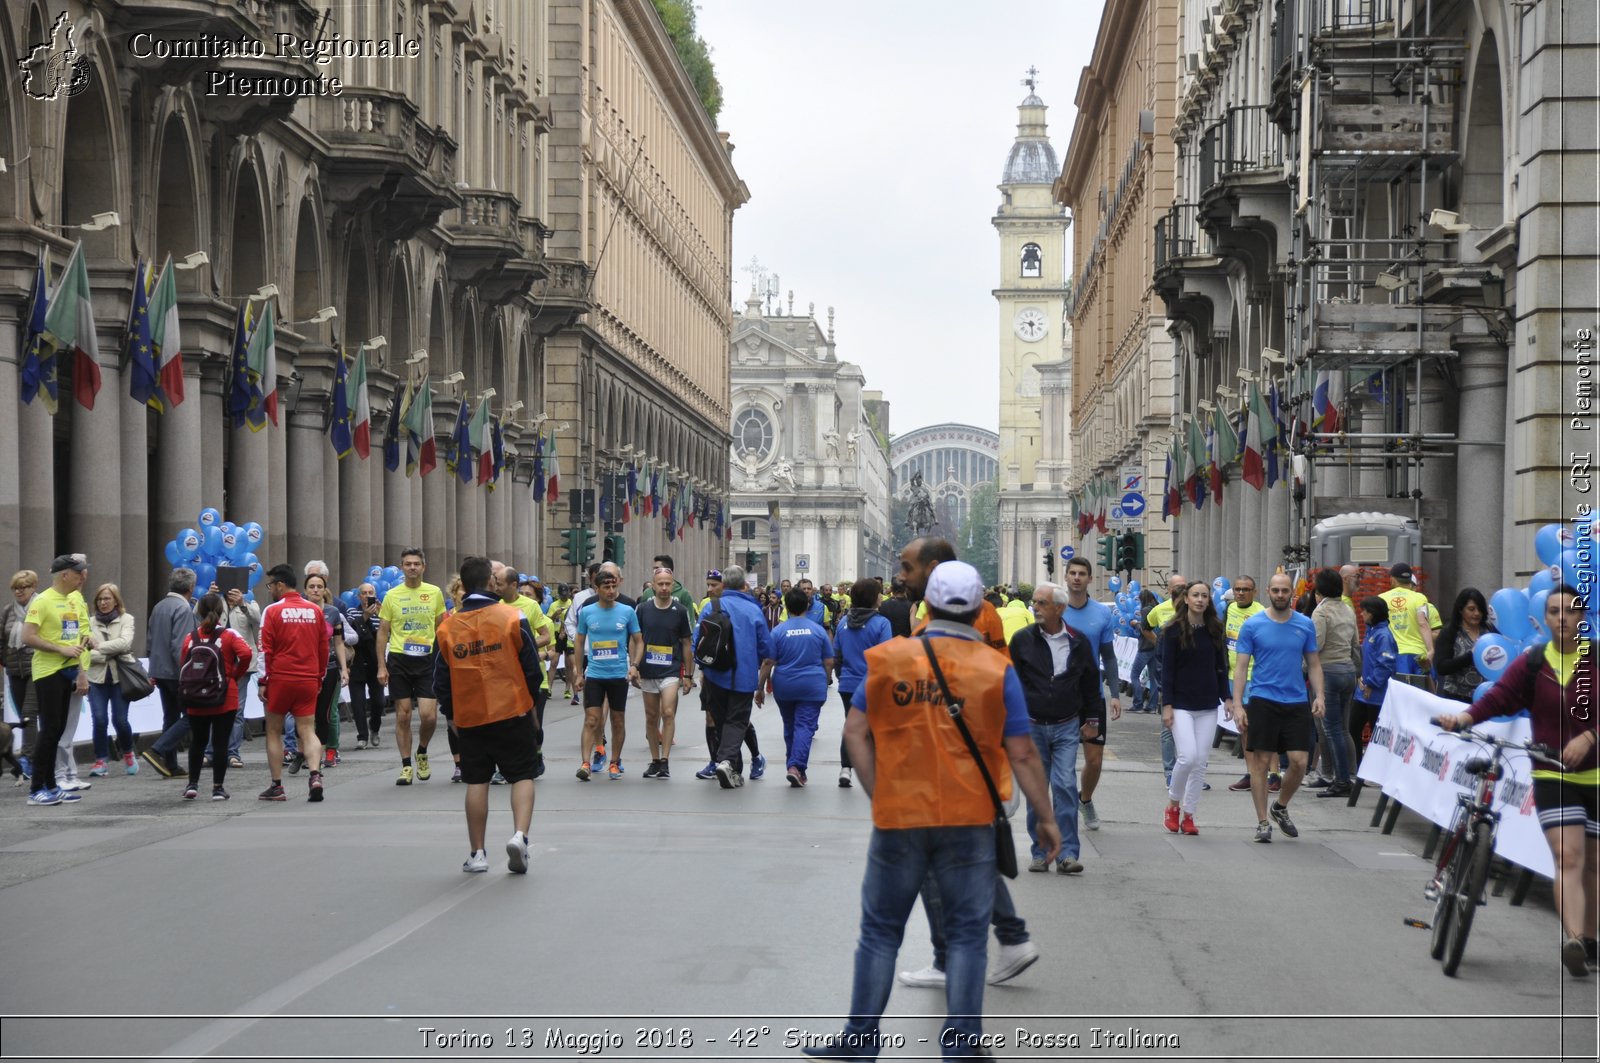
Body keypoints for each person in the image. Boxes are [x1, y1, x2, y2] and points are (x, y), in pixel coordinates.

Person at [805, 561, 1058, 1060]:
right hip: (969, 819)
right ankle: (962, 1045)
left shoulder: (889, 659)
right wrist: (1046, 817)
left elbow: (855, 733)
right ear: (980, 610)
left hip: (901, 815)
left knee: (879, 932)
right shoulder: (996, 668)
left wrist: (880, 793)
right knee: (966, 935)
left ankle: (859, 1041)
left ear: (928, 606)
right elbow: (1023, 752)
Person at [1436, 585, 1599, 976]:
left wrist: (1590, 736)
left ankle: (1591, 939)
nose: (1562, 619)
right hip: (1550, 772)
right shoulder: (1532, 662)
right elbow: (1500, 698)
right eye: (1554, 612)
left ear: (1582, 618)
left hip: (1596, 775)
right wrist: (1465, 717)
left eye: (1570, 612)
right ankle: (1574, 939)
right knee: (1569, 856)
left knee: (1594, 863)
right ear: (1545, 619)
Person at [434, 556, 543, 875]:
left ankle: (477, 853)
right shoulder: (513, 616)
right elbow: (532, 669)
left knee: (476, 780)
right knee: (522, 774)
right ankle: (520, 836)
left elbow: (440, 679)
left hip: (470, 716)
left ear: (463, 586)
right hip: (513, 709)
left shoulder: (447, 625)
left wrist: (451, 715)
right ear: (492, 583)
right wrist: (531, 707)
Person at [1010, 582, 1102, 874]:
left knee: (1064, 786)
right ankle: (1040, 852)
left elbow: (1091, 684)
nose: (1034, 607)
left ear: (1059, 608)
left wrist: (1093, 721)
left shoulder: (1079, 641)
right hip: (1032, 725)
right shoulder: (1022, 640)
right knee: (1037, 790)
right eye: (1034, 602)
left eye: (1040, 603)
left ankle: (1067, 854)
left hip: (1065, 726)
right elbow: (1010, 683)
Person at [1229, 572, 1325, 843]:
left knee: (1299, 762)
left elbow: (1315, 664)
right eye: (1276, 591)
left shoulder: (1305, 625)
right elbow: (1241, 667)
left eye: (1285, 591)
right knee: (1260, 764)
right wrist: (1238, 705)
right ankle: (1262, 822)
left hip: (1296, 701)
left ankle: (1280, 806)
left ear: (1292, 593)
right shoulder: (1253, 625)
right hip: (1262, 700)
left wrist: (1320, 696)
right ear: (1268, 592)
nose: (1280, 595)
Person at [1158, 581, 1232, 834]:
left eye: (1204, 595)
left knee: (1200, 762)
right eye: (1195, 595)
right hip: (1180, 704)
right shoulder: (1172, 630)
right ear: (1186, 599)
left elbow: (1221, 668)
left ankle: (1189, 815)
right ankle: (1173, 805)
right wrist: (1166, 705)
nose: (1200, 599)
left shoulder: (1214, 629)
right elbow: (1166, 671)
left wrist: (1228, 698)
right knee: (1187, 756)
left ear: (1209, 600)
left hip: (1208, 705)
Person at [20, 555, 93, 805]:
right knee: (49, 730)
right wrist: (59, 650)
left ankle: (52, 785)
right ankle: (35, 789)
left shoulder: (70, 601)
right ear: (65, 575)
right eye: (78, 573)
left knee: (58, 730)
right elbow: (27, 636)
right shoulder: (42, 601)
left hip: (68, 671)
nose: (82, 577)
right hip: (48, 672)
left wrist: (80, 668)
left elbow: (73, 639)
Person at [694, 564, 773, 789]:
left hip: (715, 674)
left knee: (720, 720)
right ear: (744, 585)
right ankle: (727, 761)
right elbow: (767, 647)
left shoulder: (712, 606)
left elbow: (697, 640)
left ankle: (733, 769)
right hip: (743, 675)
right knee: (737, 720)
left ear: (725, 584)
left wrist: (701, 667)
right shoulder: (754, 610)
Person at [257, 564, 329, 803]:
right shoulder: (315, 610)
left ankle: (277, 786)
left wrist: (262, 681)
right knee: (308, 729)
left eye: (270, 586)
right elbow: (322, 648)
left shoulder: (272, 611)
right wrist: (319, 677)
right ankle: (316, 774)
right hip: (308, 678)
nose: (270, 590)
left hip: (280, 678)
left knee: (274, 731)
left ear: (280, 585)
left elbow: (264, 649)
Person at [1060, 557, 1121, 832]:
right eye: (1072, 573)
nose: (1076, 577)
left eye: (1081, 573)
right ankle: (1063, 808)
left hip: (1092, 697)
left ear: (1089, 579)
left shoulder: (1101, 614)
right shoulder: (1055, 611)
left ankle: (1085, 799)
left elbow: (1108, 656)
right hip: (1060, 696)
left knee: (1094, 760)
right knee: (1063, 760)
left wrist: (1116, 694)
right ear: (1065, 577)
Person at [376, 548, 446, 785]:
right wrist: (381, 666)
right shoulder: (392, 595)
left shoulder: (434, 593)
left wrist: (445, 659)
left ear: (423, 567)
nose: (412, 567)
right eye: (408, 564)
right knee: (403, 715)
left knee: (429, 716)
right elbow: (383, 632)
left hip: (427, 660)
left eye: (416, 563)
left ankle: (422, 750)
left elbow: (442, 628)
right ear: (402, 567)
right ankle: (406, 765)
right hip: (399, 658)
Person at [179, 593, 253, 800]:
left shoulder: (190, 637)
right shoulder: (229, 635)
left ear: (200, 612)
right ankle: (217, 788)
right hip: (224, 694)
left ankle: (192, 784)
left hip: (195, 696)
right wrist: (234, 675)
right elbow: (246, 654)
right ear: (221, 612)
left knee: (198, 742)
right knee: (221, 743)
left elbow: (183, 663)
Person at [758, 587, 833, 786]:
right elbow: (828, 661)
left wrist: (759, 688)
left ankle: (794, 767)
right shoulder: (818, 630)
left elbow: (768, 662)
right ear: (807, 605)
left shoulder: (778, 631)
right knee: (805, 726)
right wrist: (825, 681)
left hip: (785, 685)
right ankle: (796, 766)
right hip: (812, 685)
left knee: (790, 725)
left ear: (787, 607)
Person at [573, 567, 642, 780]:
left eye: (614, 586)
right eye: (606, 587)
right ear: (597, 588)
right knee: (591, 719)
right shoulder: (587, 611)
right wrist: (578, 672)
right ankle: (585, 763)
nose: (611, 591)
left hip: (618, 675)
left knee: (618, 720)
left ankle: (614, 762)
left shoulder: (627, 611)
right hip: (594, 673)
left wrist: (634, 665)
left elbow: (639, 640)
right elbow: (579, 641)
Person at [495, 561, 555, 780]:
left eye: (500, 583)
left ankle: (536, 751)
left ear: (513, 585)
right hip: (504, 676)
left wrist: (522, 647)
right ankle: (507, 767)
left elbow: (546, 636)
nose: (496, 587)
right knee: (507, 723)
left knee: (533, 722)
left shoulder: (530, 606)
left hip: (531, 675)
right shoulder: (495, 605)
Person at [634, 568, 694, 780]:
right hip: (648, 670)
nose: (664, 588)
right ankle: (655, 760)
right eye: (660, 584)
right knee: (651, 717)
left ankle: (666, 760)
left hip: (670, 669)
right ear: (653, 585)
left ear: (673, 584)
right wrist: (633, 666)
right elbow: (636, 640)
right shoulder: (642, 609)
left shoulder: (680, 611)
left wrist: (688, 675)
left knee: (667, 712)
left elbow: (686, 643)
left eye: (668, 584)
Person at [834, 578, 895, 789]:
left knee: (850, 726)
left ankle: (845, 769)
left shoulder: (842, 623)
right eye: (879, 593)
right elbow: (886, 656)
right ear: (872, 597)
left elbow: (837, 655)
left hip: (848, 685)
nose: (881, 597)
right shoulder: (881, 623)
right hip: (873, 684)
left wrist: (842, 676)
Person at [903, 538, 1008, 655]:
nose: (901, 577)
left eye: (908, 568)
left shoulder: (890, 657)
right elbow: (1002, 658)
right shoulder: (986, 610)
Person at [142, 567, 198, 778]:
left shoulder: (159, 606)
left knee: (171, 716)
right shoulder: (183, 609)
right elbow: (180, 646)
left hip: (159, 669)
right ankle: (158, 749)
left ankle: (171, 764)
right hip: (176, 671)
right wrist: (188, 672)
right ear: (191, 588)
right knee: (192, 715)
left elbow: (150, 639)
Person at [1310, 568, 1361, 798]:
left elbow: (1316, 646)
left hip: (1327, 671)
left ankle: (1340, 780)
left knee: (1331, 729)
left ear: (1319, 589)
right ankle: (1346, 775)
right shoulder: (1348, 609)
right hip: (1347, 670)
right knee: (1342, 727)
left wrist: (1305, 668)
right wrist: (1356, 671)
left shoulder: (1321, 613)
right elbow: (1355, 644)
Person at [303, 567, 353, 770]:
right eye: (311, 587)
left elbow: (339, 643)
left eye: (319, 587)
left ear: (325, 590)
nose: (315, 590)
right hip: (305, 668)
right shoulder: (301, 611)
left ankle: (327, 752)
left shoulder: (333, 613)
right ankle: (305, 752)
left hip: (329, 667)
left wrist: (344, 669)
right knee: (306, 714)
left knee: (326, 713)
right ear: (305, 590)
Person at [84, 583, 136, 777]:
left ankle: (128, 752)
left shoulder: (126, 619)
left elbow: (125, 643)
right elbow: (86, 654)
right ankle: (101, 761)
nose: (103, 602)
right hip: (96, 678)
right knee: (99, 719)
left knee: (120, 720)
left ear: (116, 600)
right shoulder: (88, 622)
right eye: (100, 599)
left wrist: (99, 647)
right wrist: (106, 653)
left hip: (120, 677)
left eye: (107, 598)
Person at [1225, 576, 1271, 792]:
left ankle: (1272, 774)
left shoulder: (1262, 612)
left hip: (1258, 678)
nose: (1241, 593)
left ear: (1255, 591)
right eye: (1237, 589)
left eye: (1246, 589)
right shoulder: (1228, 609)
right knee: (1242, 727)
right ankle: (1251, 772)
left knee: (1263, 728)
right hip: (1236, 677)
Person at [1146, 573, 1187, 785]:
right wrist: (1157, 641)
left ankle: (1191, 772)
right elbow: (1145, 626)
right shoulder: (1160, 610)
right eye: (1176, 588)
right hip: (1168, 679)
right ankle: (1170, 771)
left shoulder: (1196, 613)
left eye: (1184, 587)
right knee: (1168, 728)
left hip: (1191, 684)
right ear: (1169, 590)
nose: (1181, 591)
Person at [1350, 596, 1399, 765]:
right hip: (1363, 693)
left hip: (1377, 693)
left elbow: (1386, 663)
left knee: (1378, 734)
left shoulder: (1384, 635)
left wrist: (1371, 683)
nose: (1361, 613)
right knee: (1352, 728)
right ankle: (1356, 768)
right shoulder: (1372, 631)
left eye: (1364, 610)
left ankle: (1379, 770)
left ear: (1373, 613)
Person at [2, 570, 40, 778]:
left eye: (23, 587)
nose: (19, 591)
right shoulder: (8, 612)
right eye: (15, 587)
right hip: (15, 671)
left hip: (37, 668)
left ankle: (27, 759)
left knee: (28, 715)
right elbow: (1, 640)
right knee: (22, 715)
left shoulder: (41, 608)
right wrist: (5, 662)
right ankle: (34, 756)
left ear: (33, 587)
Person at [222, 586, 262, 768]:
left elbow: (259, 620)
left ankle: (233, 752)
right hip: (217, 664)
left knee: (237, 709)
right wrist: (209, 595)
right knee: (214, 708)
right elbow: (197, 616)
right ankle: (211, 752)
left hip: (241, 665)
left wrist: (241, 603)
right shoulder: (215, 602)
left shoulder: (249, 604)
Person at [1379, 562, 1441, 677]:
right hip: (1419, 655)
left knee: (1400, 693)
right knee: (1422, 692)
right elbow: (1423, 623)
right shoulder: (1420, 597)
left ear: (1392, 579)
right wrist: (1430, 650)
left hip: (1395, 654)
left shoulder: (1381, 599)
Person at [1434, 587, 1494, 703]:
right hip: (1456, 699)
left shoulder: (1490, 631)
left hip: (1485, 699)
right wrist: (1471, 656)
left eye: (1480, 609)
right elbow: (1441, 667)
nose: (1477, 613)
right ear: (1461, 610)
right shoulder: (1450, 633)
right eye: (1471, 609)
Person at [343, 582, 383, 749]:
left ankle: (374, 728)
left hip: (376, 662)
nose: (367, 596)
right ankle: (362, 736)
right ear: (359, 596)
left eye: (370, 592)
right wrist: (365, 617)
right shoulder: (353, 612)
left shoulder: (381, 612)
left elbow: (385, 635)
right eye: (364, 593)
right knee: (358, 702)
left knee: (378, 702)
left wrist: (381, 616)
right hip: (357, 661)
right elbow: (352, 636)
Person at [1128, 588, 1160, 713]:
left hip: (1145, 647)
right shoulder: (1157, 608)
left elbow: (1145, 628)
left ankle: (1138, 704)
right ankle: (1152, 706)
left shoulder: (1145, 610)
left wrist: (1136, 624)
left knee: (1134, 675)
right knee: (1153, 678)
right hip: (1155, 646)